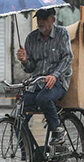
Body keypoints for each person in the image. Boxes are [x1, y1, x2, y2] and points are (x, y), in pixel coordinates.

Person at [16, 9, 73, 145]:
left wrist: (54, 75)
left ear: (52, 20)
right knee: (17, 120)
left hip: (58, 81)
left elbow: (67, 58)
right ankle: (29, 157)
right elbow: (30, 68)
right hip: (37, 83)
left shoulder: (62, 33)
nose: (40, 21)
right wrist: (24, 60)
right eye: (38, 18)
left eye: (44, 18)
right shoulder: (31, 38)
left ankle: (57, 131)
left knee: (43, 98)